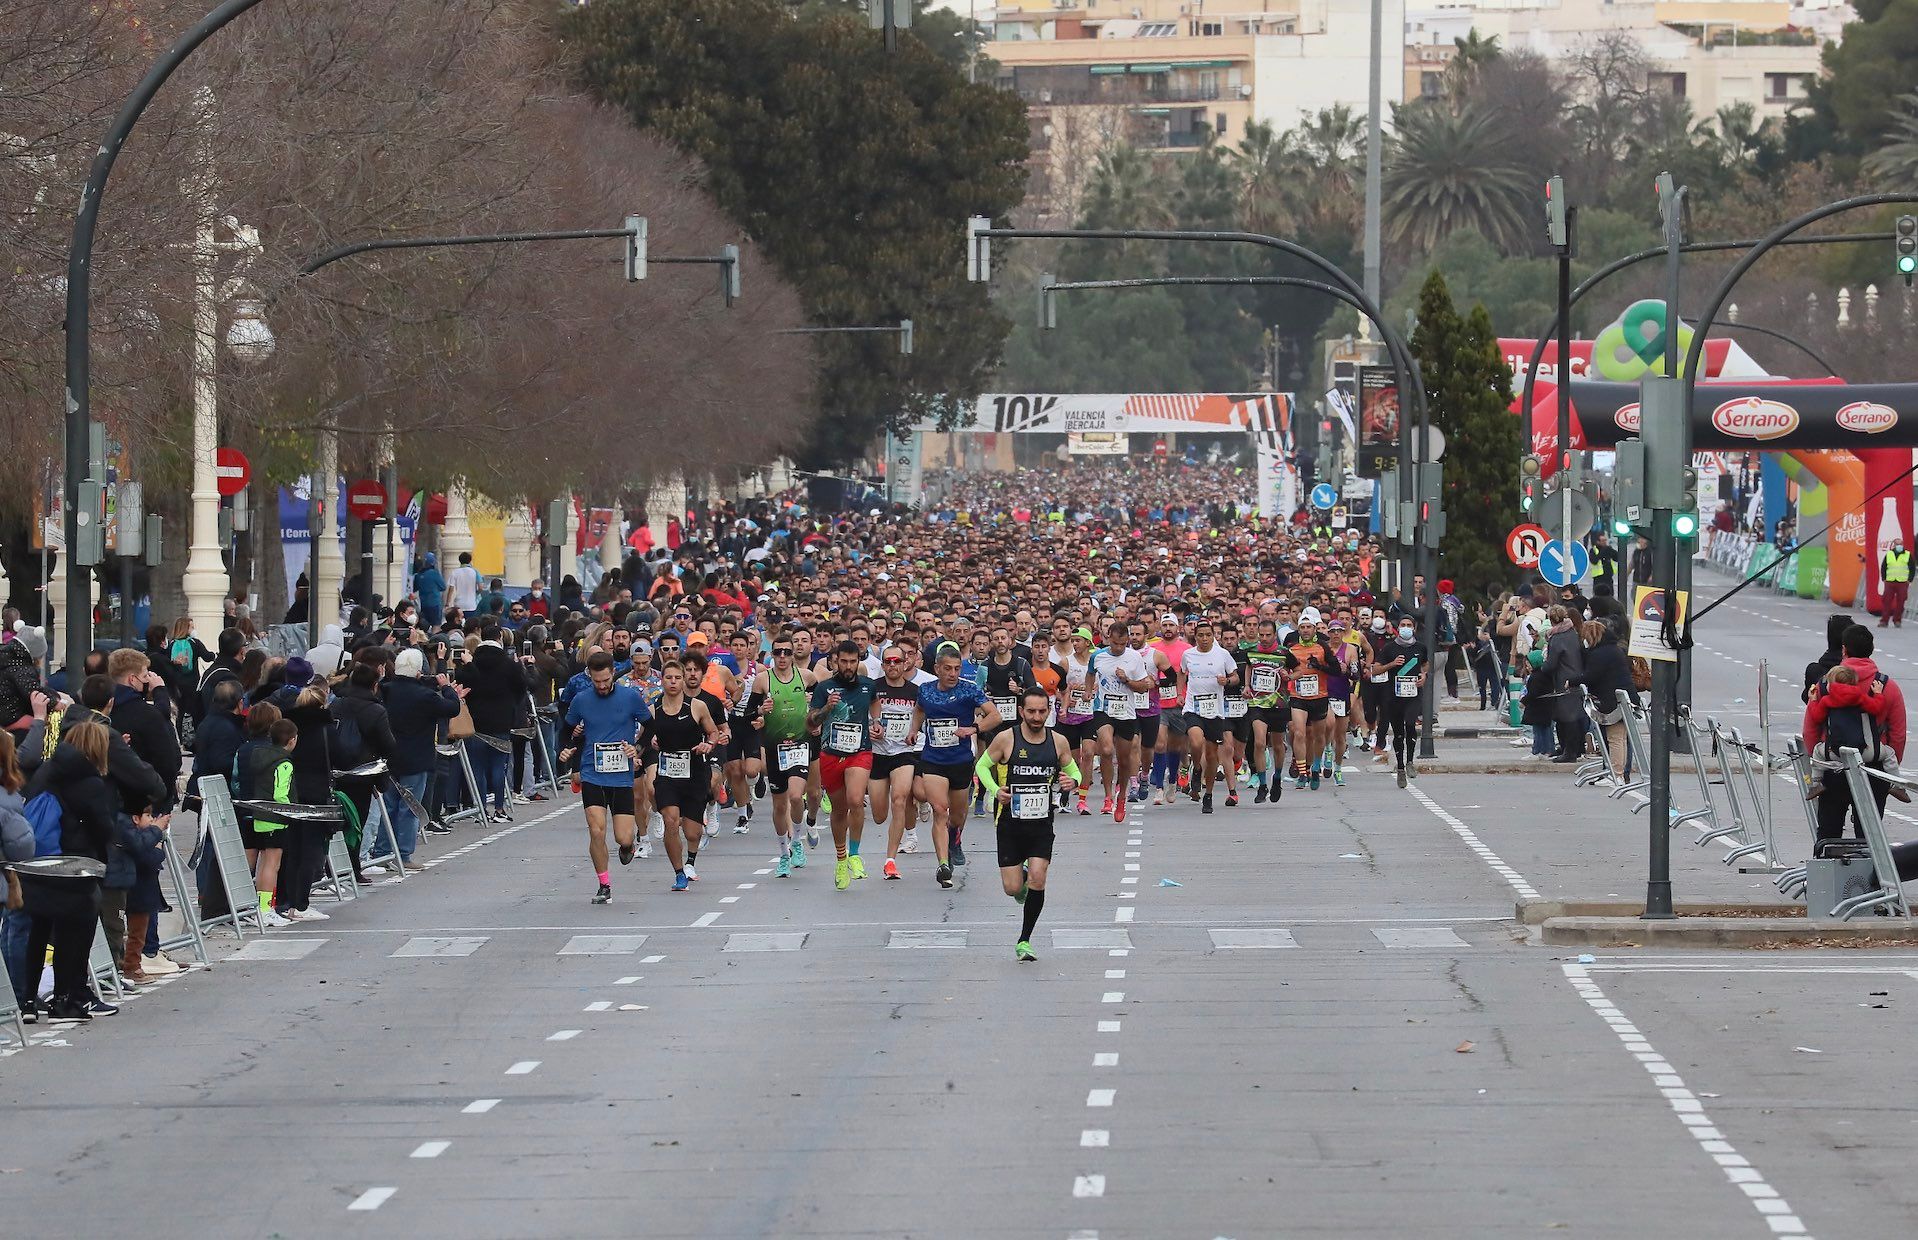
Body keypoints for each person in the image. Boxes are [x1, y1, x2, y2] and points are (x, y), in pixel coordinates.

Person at [19, 720, 118, 1021]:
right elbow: (104, 827)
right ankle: (66, 998)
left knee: (37, 930)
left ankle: (26, 1002)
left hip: (39, 861)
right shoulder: (89, 782)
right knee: (75, 932)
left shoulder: (45, 771)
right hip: (75, 865)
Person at [975, 688, 1081, 962]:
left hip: (1041, 824)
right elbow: (982, 767)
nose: (1036, 717)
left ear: (1049, 711)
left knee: (1038, 877)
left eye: (1042, 711)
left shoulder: (1058, 741)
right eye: (1031, 711)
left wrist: (1074, 781)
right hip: (1010, 823)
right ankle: (1019, 878)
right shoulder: (1006, 739)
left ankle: (1024, 940)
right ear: (1022, 711)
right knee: (1012, 889)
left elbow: (1073, 770)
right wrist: (996, 790)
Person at [559, 650, 653, 904]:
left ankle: (628, 846)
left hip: (621, 776)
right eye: (596, 681)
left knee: (622, 837)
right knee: (596, 830)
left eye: (605, 680)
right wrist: (566, 748)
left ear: (613, 673)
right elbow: (566, 731)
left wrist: (638, 748)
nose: (601, 686)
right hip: (592, 773)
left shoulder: (630, 697)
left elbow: (650, 726)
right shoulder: (581, 700)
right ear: (590, 676)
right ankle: (604, 884)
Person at [1803, 625, 1906, 843]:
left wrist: (1817, 762)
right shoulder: (1887, 686)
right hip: (1874, 768)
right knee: (1869, 837)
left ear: (1844, 650)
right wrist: (1888, 770)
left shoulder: (1824, 686)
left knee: (1828, 833)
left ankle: (1826, 873)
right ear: (1871, 649)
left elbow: (1811, 728)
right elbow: (1898, 732)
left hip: (1833, 766)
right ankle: (1869, 876)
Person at [636, 659, 720, 892]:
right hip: (667, 774)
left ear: (683, 680)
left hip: (694, 773)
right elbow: (642, 740)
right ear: (661, 680)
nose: (673, 682)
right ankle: (679, 872)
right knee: (671, 820)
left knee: (692, 831)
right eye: (668, 678)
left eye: (677, 678)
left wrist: (708, 745)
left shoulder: (697, 707)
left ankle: (691, 860)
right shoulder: (653, 710)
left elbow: (713, 732)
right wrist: (638, 753)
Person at [808, 640, 880, 890]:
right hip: (830, 754)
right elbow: (810, 722)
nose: (849, 666)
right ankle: (841, 860)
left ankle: (855, 852)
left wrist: (877, 721)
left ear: (858, 661)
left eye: (853, 661)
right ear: (835, 661)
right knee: (839, 809)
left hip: (859, 752)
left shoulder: (868, 686)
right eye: (844, 661)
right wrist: (827, 708)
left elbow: (874, 704)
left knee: (855, 799)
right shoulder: (825, 688)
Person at [453, 627, 529, 823]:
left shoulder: (473, 662)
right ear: (500, 637)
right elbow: (522, 688)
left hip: (475, 721)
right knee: (498, 765)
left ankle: (480, 809)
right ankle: (498, 808)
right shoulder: (509, 664)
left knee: (477, 766)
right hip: (501, 720)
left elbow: (461, 682)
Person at [1541, 605, 1587, 763]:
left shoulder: (1557, 638)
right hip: (1577, 676)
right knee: (1571, 715)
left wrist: (1542, 666)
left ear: (1551, 620)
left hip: (1564, 680)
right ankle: (1571, 748)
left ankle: (1570, 751)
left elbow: (1551, 664)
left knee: (1567, 717)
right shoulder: (1573, 633)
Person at [1882, 537, 1910, 628]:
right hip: (1890, 581)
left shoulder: (1907, 554)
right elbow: (1884, 566)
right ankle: (1884, 621)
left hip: (1902, 582)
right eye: (1897, 544)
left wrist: (1909, 579)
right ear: (1894, 545)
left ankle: (1897, 620)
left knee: (1901, 602)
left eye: (1900, 544)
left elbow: (1912, 568)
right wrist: (1884, 578)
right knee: (1886, 601)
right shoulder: (1889, 554)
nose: (1899, 546)